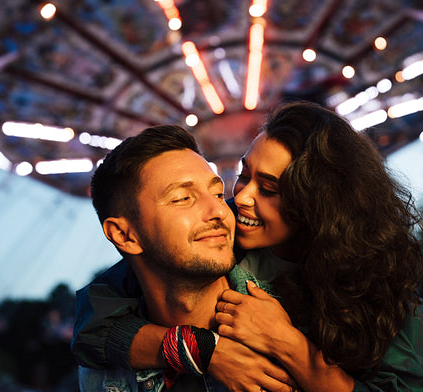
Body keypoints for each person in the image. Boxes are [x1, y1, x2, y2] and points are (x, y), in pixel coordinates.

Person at [73, 101, 423, 391]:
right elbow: (93, 317)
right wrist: (204, 351)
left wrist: (288, 345)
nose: (237, 200)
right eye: (242, 176)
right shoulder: (219, 232)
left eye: (269, 189)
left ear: (319, 208)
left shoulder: (379, 286)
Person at [77, 124, 296, 391]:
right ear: (124, 235)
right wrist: (197, 349)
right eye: (182, 198)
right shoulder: (102, 379)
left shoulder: (304, 312)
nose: (222, 210)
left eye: (218, 193)